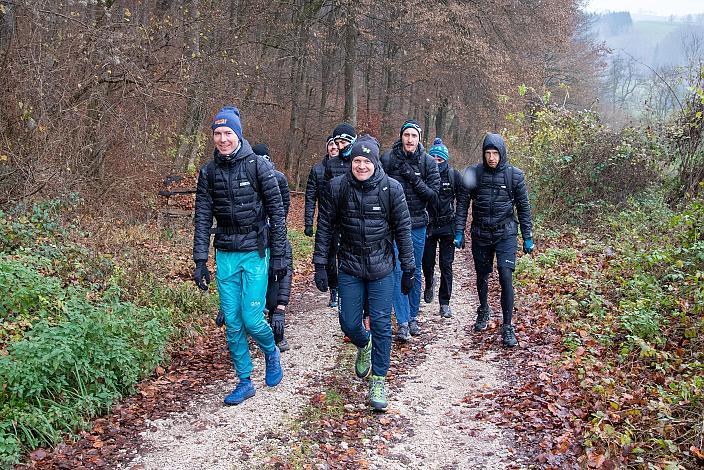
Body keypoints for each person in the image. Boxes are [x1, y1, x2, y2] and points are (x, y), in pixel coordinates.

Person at [313, 135, 414, 412]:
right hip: (349, 266)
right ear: (351, 162)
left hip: (382, 267)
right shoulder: (337, 188)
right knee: (348, 323)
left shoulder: (391, 189)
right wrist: (320, 263)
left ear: (375, 163)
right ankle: (363, 344)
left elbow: (403, 231)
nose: (361, 166)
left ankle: (379, 380)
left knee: (382, 324)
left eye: (366, 161)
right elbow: (325, 227)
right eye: (356, 160)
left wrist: (409, 268)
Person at [193, 106, 286, 405]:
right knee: (232, 323)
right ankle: (244, 380)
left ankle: (270, 350)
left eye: (227, 133)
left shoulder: (259, 167)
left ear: (238, 135)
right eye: (217, 134)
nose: (222, 139)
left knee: (250, 318)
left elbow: (278, 213)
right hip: (225, 254)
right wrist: (199, 261)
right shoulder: (208, 173)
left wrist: (280, 257)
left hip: (256, 251)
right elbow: (203, 217)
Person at [454, 133, 534, 347]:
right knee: (482, 275)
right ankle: (483, 309)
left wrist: (528, 236)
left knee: (505, 276)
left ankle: (507, 326)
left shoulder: (514, 176)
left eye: (495, 153)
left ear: (502, 154)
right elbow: (462, 204)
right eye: (488, 153)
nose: (491, 157)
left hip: (505, 232)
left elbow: (523, 207)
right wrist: (459, 230)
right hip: (480, 232)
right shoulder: (473, 173)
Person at [380, 120, 440, 341]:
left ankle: (413, 316)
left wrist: (413, 178)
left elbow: (433, 196)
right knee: (397, 270)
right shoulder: (387, 159)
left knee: (412, 270)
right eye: (406, 135)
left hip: (417, 224)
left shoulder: (427, 162)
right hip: (393, 226)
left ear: (419, 139)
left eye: (414, 136)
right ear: (401, 136)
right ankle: (403, 321)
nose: (409, 139)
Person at [252, 143, 293, 353]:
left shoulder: (279, 179)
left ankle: (278, 330)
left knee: (277, 277)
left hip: (274, 234)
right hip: (252, 239)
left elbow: (283, 206)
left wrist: (275, 225)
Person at [422, 138, 462, 318]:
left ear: (445, 160)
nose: (437, 162)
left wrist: (459, 228)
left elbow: (463, 201)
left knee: (446, 264)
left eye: (440, 159)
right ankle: (429, 282)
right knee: (427, 262)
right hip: (429, 225)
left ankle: (444, 302)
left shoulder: (454, 176)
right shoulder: (424, 174)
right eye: (434, 158)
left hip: (448, 225)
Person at [304, 135, 340, 308]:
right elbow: (310, 198)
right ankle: (334, 289)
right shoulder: (317, 170)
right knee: (329, 258)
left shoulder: (351, 167)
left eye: (336, 144)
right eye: (330, 145)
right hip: (326, 221)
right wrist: (308, 223)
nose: (333, 147)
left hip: (347, 221)